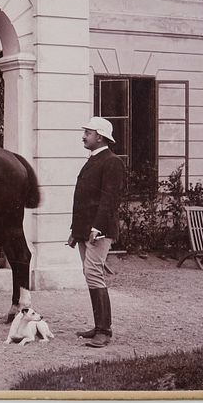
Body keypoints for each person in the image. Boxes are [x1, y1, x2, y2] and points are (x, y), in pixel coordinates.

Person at [66, 116, 126, 348]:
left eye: (87, 133)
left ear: (99, 136)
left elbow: (109, 199)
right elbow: (83, 199)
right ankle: (98, 327)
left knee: (94, 273)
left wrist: (97, 227)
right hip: (85, 230)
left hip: (98, 230)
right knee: (89, 273)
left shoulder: (111, 162)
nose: (84, 136)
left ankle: (104, 331)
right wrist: (75, 230)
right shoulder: (94, 160)